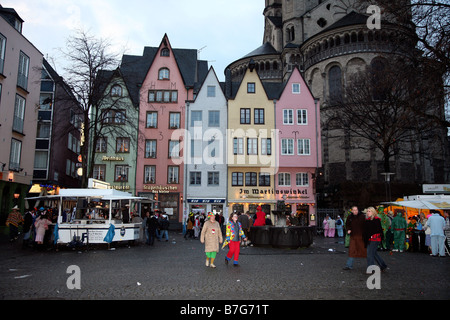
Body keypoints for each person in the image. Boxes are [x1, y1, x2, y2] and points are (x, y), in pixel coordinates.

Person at [363, 207, 388, 273]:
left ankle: (371, 268)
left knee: (370, 254)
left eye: (369, 211)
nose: (368, 212)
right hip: (371, 239)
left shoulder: (376, 220)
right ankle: (383, 265)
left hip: (374, 239)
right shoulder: (368, 220)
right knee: (373, 253)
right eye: (367, 211)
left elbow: (377, 230)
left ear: (373, 212)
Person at [343, 206, 367, 270]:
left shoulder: (362, 217)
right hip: (353, 236)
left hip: (361, 237)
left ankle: (371, 265)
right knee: (352, 251)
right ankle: (349, 265)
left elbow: (366, 226)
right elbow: (347, 225)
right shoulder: (350, 217)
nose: (355, 211)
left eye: (356, 210)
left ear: (358, 210)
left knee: (365, 251)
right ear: (351, 211)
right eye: (353, 210)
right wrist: (349, 229)